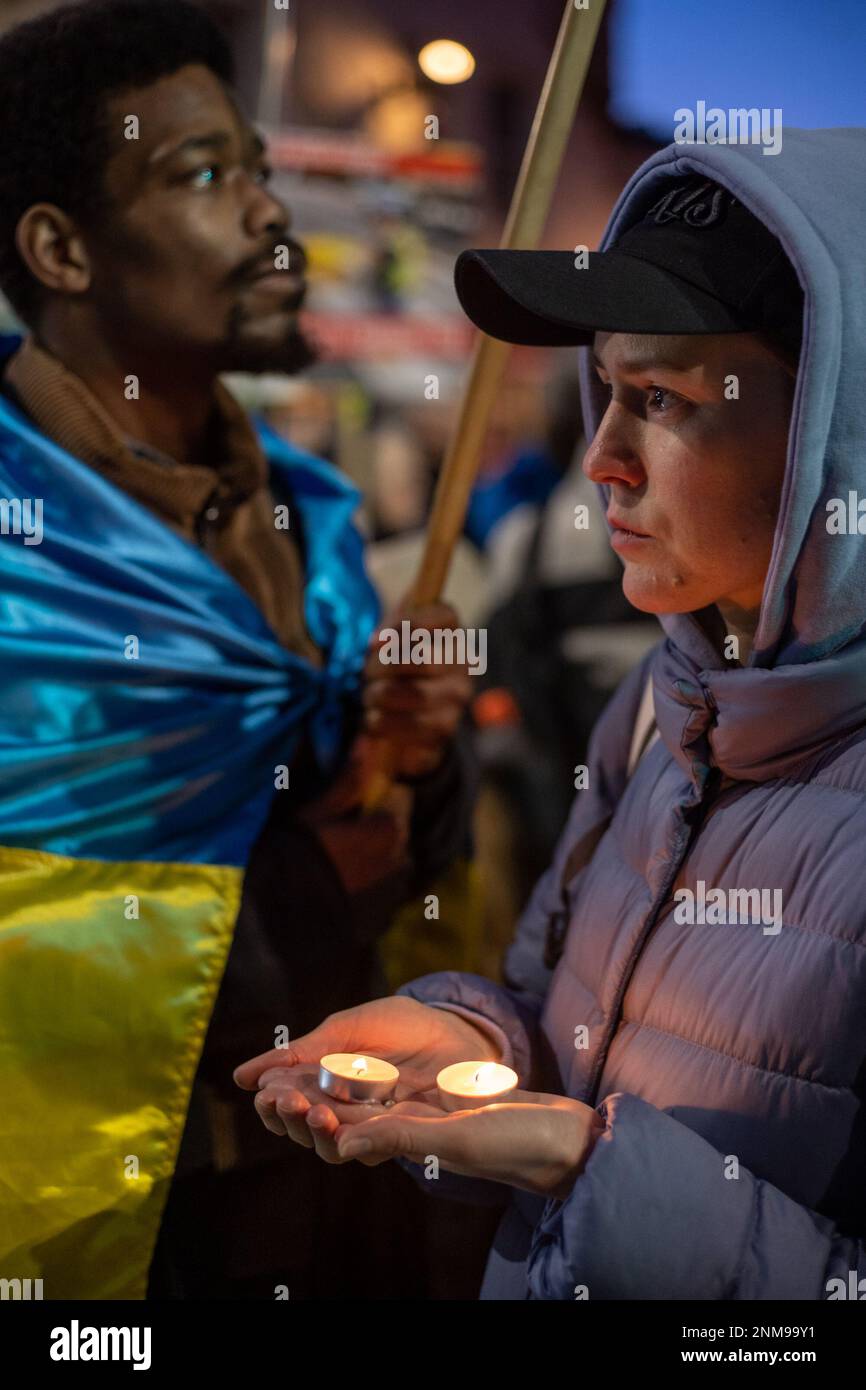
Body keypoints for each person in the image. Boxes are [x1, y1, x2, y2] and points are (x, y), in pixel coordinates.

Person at [237, 131, 866, 1300]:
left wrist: (587, 1162)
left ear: (833, 431)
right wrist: (475, 1042)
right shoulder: (659, 706)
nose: (600, 461)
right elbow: (557, 1023)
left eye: (661, 400)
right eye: (604, 390)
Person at [0, 0, 481, 1301]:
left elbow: (392, 847)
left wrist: (415, 757)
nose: (269, 213)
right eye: (205, 175)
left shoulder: (310, 517)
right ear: (60, 248)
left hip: (329, 1178)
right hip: (106, 1227)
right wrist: (299, 897)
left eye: (258, 169)